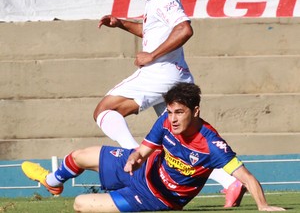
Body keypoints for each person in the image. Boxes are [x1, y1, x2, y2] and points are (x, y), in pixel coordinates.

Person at [93, 0, 244, 207]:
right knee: (177, 142)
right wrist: (120, 24)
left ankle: (136, 159)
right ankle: (231, 182)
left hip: (160, 73)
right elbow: (149, 30)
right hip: (176, 75)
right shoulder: (156, 1)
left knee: (104, 111)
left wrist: (151, 55)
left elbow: (185, 29)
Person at [21, 83, 285, 212]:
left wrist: (262, 205)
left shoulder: (211, 145)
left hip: (158, 197)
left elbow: (247, 177)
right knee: (79, 156)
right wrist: (134, 158)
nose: (173, 119)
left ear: (196, 111)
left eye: (179, 113)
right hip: (145, 169)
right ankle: (52, 181)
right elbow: (144, 150)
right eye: (170, 111)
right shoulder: (166, 122)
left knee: (79, 204)